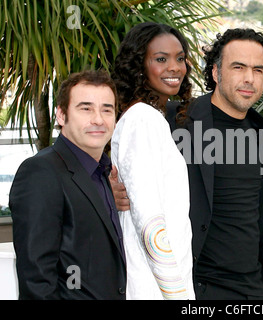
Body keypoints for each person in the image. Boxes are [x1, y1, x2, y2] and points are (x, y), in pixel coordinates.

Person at [168, 28, 263, 300]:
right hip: (197, 287)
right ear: (215, 72)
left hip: (251, 289)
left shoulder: (262, 134)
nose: (249, 78)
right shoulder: (176, 122)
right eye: (238, 67)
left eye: (258, 70)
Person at [9, 70, 126, 299]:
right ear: (61, 116)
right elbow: (37, 280)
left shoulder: (102, 172)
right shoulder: (41, 172)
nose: (98, 119)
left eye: (107, 109)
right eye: (86, 108)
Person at [110, 22, 194, 300]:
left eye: (180, 58)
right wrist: (178, 296)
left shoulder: (146, 118)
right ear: (138, 66)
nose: (175, 67)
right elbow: (150, 227)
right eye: (161, 59)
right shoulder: (143, 120)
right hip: (156, 287)